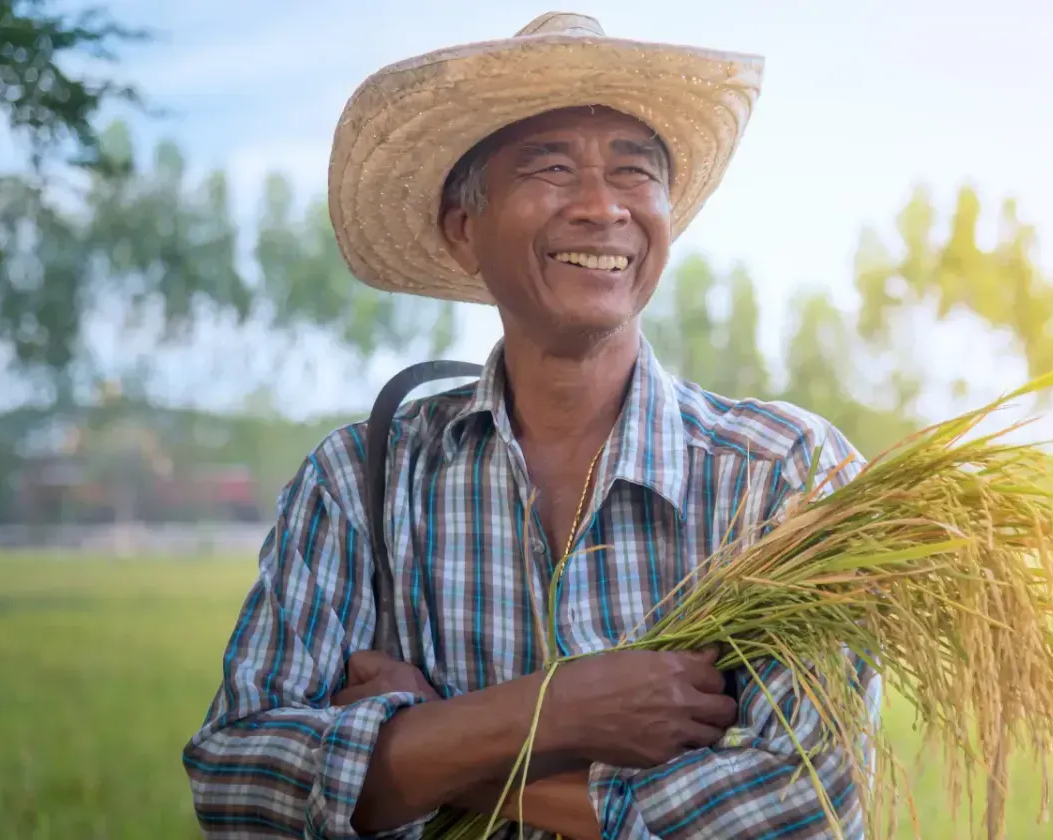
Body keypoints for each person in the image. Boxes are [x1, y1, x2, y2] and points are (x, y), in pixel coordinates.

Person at [183, 12, 878, 840]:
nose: (601, 207)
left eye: (634, 170)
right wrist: (556, 712)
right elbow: (234, 777)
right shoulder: (357, 481)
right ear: (462, 228)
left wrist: (449, 741)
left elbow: (806, 802)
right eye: (550, 168)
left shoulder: (781, 478)